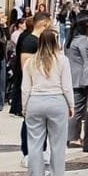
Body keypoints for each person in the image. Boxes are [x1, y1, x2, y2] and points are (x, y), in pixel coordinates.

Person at [21, 31, 73, 176]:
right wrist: (71, 104)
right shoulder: (62, 60)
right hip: (57, 101)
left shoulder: (31, 62)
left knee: (35, 143)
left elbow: (25, 88)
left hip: (35, 102)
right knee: (58, 144)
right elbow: (66, 86)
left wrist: (24, 107)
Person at [17, 13, 52, 167]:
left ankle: (41, 150)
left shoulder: (39, 41)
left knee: (41, 122)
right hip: (32, 89)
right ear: (43, 24)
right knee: (29, 122)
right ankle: (27, 153)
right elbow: (25, 65)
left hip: (42, 89)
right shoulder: (30, 42)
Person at [67, 15, 88, 148]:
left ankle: (72, 136)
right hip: (81, 79)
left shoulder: (72, 39)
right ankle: (73, 137)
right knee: (78, 110)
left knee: (76, 109)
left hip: (74, 77)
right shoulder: (82, 41)